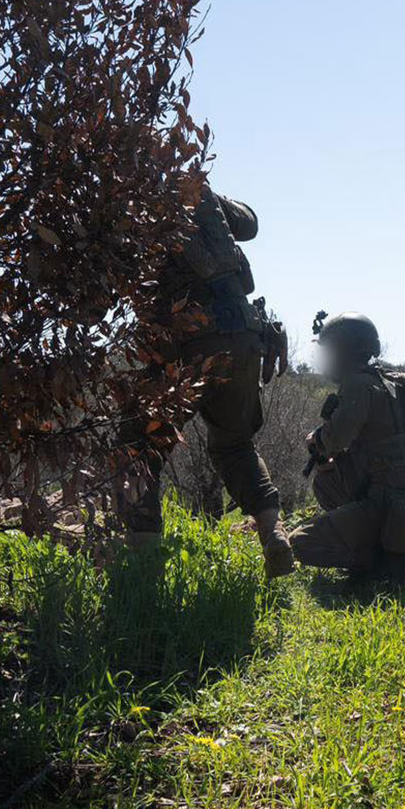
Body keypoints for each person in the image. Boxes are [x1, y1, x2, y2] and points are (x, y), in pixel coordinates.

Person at [120, 181, 295, 582]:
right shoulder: (200, 195)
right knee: (235, 444)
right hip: (244, 334)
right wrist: (212, 198)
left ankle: (144, 569)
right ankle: (273, 533)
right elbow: (249, 224)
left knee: (139, 448)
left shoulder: (135, 198)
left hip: (185, 338)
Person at [288, 313, 405, 588]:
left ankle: (377, 563)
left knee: (297, 543)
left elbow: (335, 439)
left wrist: (316, 439)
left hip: (388, 502)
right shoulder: (388, 380)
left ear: (345, 351)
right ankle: (385, 553)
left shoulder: (359, 384)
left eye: (331, 351)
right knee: (327, 480)